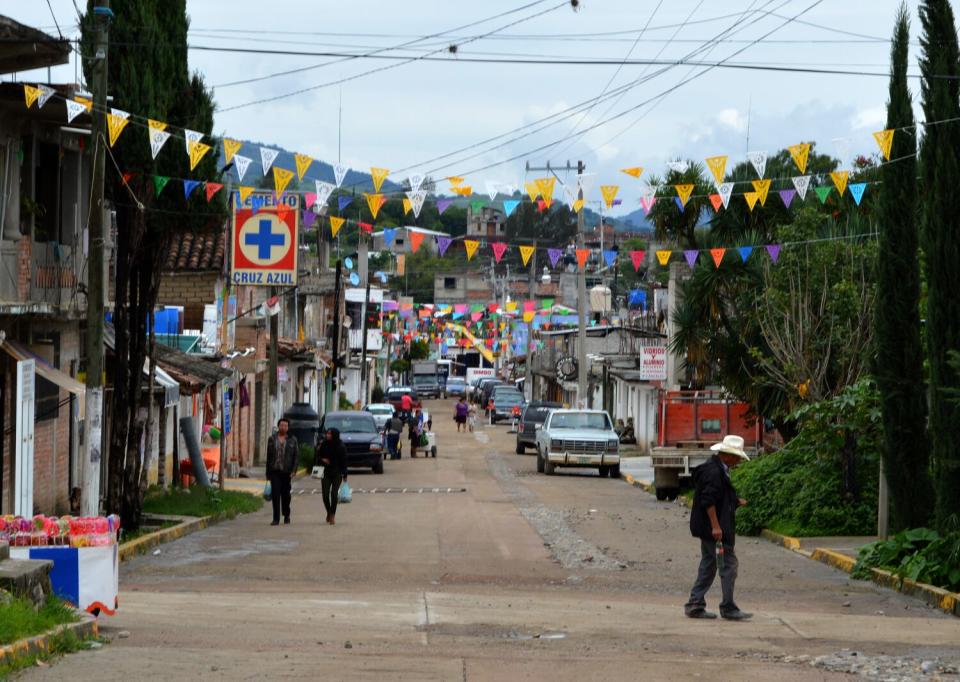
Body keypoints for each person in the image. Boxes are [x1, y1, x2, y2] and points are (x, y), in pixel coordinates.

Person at [684, 434, 751, 621]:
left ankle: (695, 603)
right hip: (713, 529)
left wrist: (734, 501)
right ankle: (728, 607)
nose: (738, 461)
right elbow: (708, 501)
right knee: (729, 565)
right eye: (737, 457)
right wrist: (716, 527)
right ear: (727, 455)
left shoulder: (717, 469)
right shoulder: (715, 472)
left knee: (709, 564)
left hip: (708, 528)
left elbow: (715, 496)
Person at [265, 418, 299, 526]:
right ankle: (276, 518)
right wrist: (268, 473)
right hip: (275, 471)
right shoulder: (272, 439)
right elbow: (269, 456)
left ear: (288, 428)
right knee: (275, 495)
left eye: (285, 426)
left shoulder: (292, 440)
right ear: (278, 426)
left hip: (286, 472)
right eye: (281, 425)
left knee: (286, 496)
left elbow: (296, 456)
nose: (283, 427)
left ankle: (286, 514)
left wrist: (294, 470)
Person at [315, 428, 348, 525]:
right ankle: (328, 511)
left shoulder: (341, 446)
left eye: (330, 434)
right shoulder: (323, 444)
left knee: (334, 494)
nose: (328, 435)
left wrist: (345, 474)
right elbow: (317, 457)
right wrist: (322, 459)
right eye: (327, 433)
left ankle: (333, 514)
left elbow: (344, 461)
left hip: (337, 473)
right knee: (325, 495)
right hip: (325, 473)